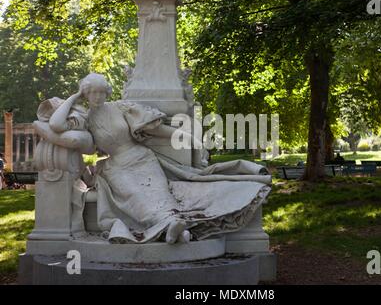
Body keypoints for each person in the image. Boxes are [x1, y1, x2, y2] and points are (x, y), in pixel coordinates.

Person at [48, 73, 271, 244]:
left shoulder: (121, 108)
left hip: (142, 159)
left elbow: (157, 130)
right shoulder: (84, 120)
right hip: (115, 168)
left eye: (100, 92)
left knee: (159, 194)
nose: (96, 97)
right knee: (137, 197)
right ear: (85, 94)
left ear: (107, 92)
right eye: (91, 93)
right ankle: (172, 227)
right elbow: (56, 125)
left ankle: (175, 226)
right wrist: (74, 96)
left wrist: (186, 137)